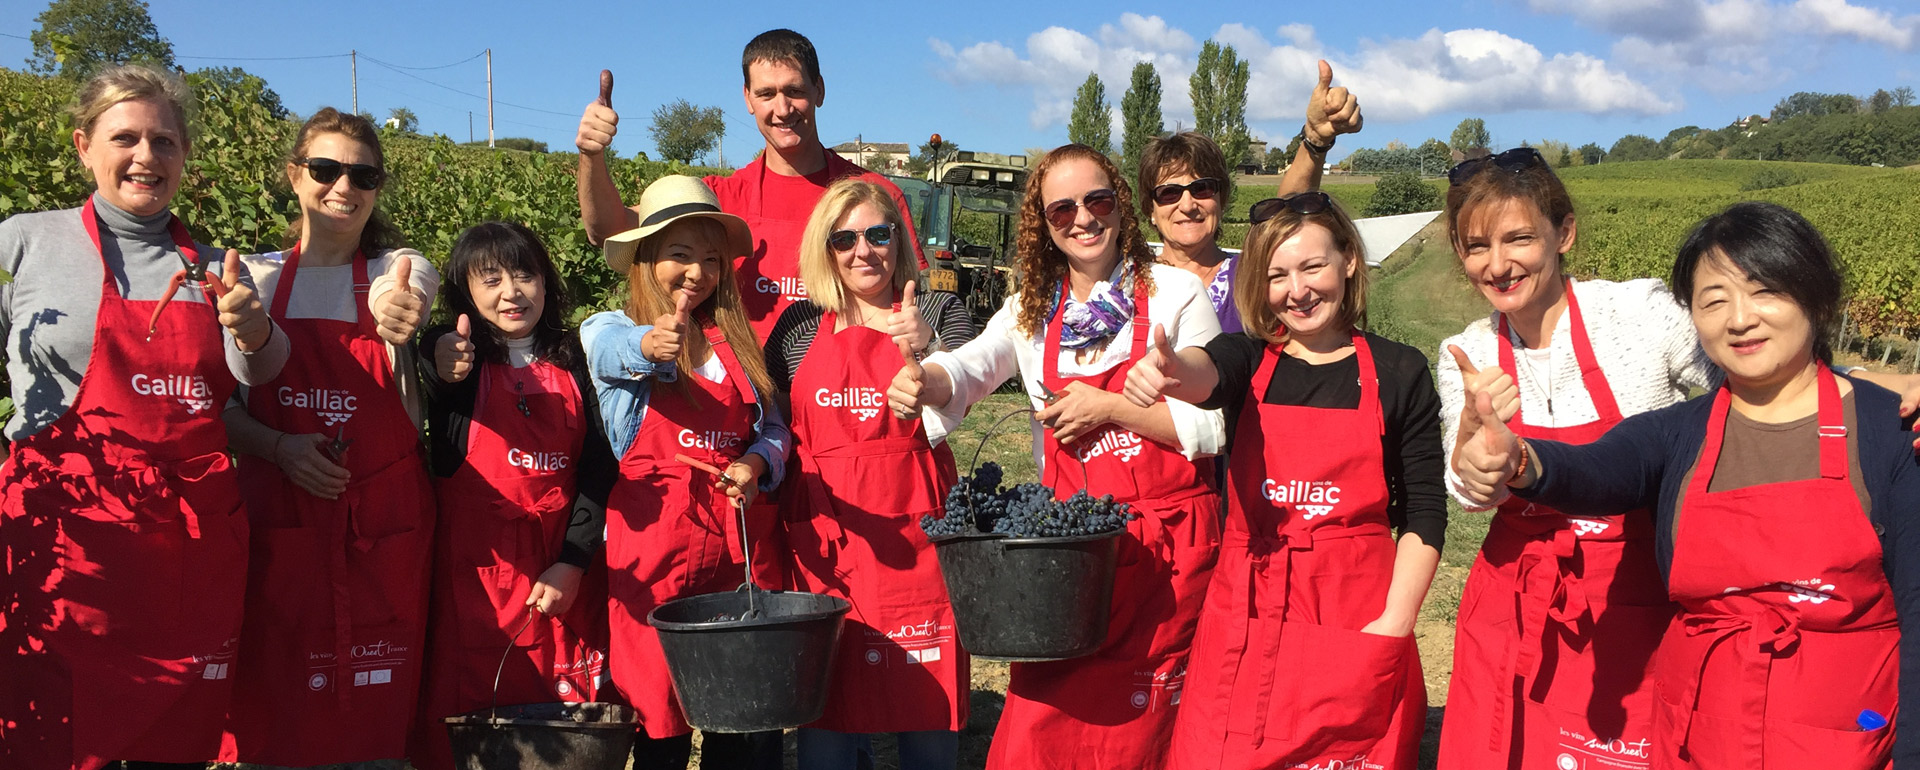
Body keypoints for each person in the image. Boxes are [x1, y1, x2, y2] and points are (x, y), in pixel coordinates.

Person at [1453, 201, 1920, 769]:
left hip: (1842, 739)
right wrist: (1523, 461)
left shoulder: (1890, 432)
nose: (1740, 319)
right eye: (1714, 300)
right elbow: (1598, 470)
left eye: (1764, 291)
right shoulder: (1678, 433)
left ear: (1815, 298)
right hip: (1696, 734)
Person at [887, 144, 1225, 770]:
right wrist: (927, 380)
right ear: (1042, 225)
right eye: (1061, 208)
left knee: (1148, 726)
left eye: (1097, 200)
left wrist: (1113, 409)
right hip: (1073, 560)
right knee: (1042, 727)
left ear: (1120, 206)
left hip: (1171, 549)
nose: (1083, 218)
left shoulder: (1177, 293)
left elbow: (1213, 422)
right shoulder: (1030, 310)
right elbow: (970, 368)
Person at [0, 64, 284, 770]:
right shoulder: (24, 242)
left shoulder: (217, 264)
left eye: (164, 140)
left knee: (174, 741)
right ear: (82, 146)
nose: (146, 157)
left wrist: (250, 323)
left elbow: (261, 373)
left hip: (187, 545)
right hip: (66, 536)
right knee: (50, 735)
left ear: (184, 155)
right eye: (125, 137)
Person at [1125, 191, 1442, 770]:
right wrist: (1172, 371)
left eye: (1312, 266)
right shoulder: (1248, 358)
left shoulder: (1400, 371)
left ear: (1348, 259)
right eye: (1276, 275)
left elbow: (1424, 511)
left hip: (1354, 614)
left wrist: (1394, 626)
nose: (1297, 290)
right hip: (1247, 612)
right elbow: (1207, 373)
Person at [1431, 146, 1705, 770]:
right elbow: (1469, 491)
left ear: (1564, 233)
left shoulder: (1638, 314)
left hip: (1630, 601)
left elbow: (1755, 380)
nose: (1498, 266)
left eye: (1519, 238)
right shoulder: (1470, 351)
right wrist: (1475, 450)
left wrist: (1854, 392)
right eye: (1476, 247)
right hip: (1516, 603)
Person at [215, 108, 439, 768]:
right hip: (279, 535)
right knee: (279, 727)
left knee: (373, 734)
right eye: (325, 169)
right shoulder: (253, 280)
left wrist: (404, 309)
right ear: (294, 176)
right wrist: (280, 448)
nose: (344, 186)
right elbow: (220, 411)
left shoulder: (395, 270)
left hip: (381, 539)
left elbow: (410, 290)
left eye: (362, 174)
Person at [764, 178, 977, 770]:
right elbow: (777, 422)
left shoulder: (937, 312)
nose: (864, 251)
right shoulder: (798, 328)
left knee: (927, 705)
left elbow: (966, 390)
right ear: (825, 249)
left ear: (898, 239)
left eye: (878, 234)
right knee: (830, 701)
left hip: (916, 530)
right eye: (845, 238)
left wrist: (927, 346)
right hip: (829, 532)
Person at [583, 175, 790, 770]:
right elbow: (605, 350)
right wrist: (651, 344)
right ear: (645, 257)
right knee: (659, 721)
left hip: (732, 555)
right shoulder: (614, 330)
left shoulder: (740, 347)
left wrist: (754, 462)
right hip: (652, 562)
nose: (696, 273)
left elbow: (776, 431)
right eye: (679, 255)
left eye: (710, 259)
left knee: (735, 712)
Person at [408, 222, 616, 770]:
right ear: (465, 293)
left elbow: (599, 469)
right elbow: (436, 360)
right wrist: (443, 354)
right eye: (491, 278)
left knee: (565, 729)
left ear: (546, 283)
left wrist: (573, 561)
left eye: (525, 274)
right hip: (477, 585)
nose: (511, 291)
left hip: (563, 573)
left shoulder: (576, 358)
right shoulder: (460, 360)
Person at [577, 28, 923, 342]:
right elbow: (608, 230)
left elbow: (915, 304)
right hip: (746, 404)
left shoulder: (875, 197)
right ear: (747, 98)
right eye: (766, 94)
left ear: (819, 90)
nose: (782, 108)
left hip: (844, 400)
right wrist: (591, 156)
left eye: (795, 90)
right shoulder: (717, 197)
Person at [1140, 60, 1360, 333]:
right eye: (1169, 193)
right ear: (1150, 208)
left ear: (1221, 199)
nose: (1187, 205)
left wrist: (1315, 140)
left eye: (1202, 188)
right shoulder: (1125, 280)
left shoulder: (1253, 275)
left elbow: (1288, 209)